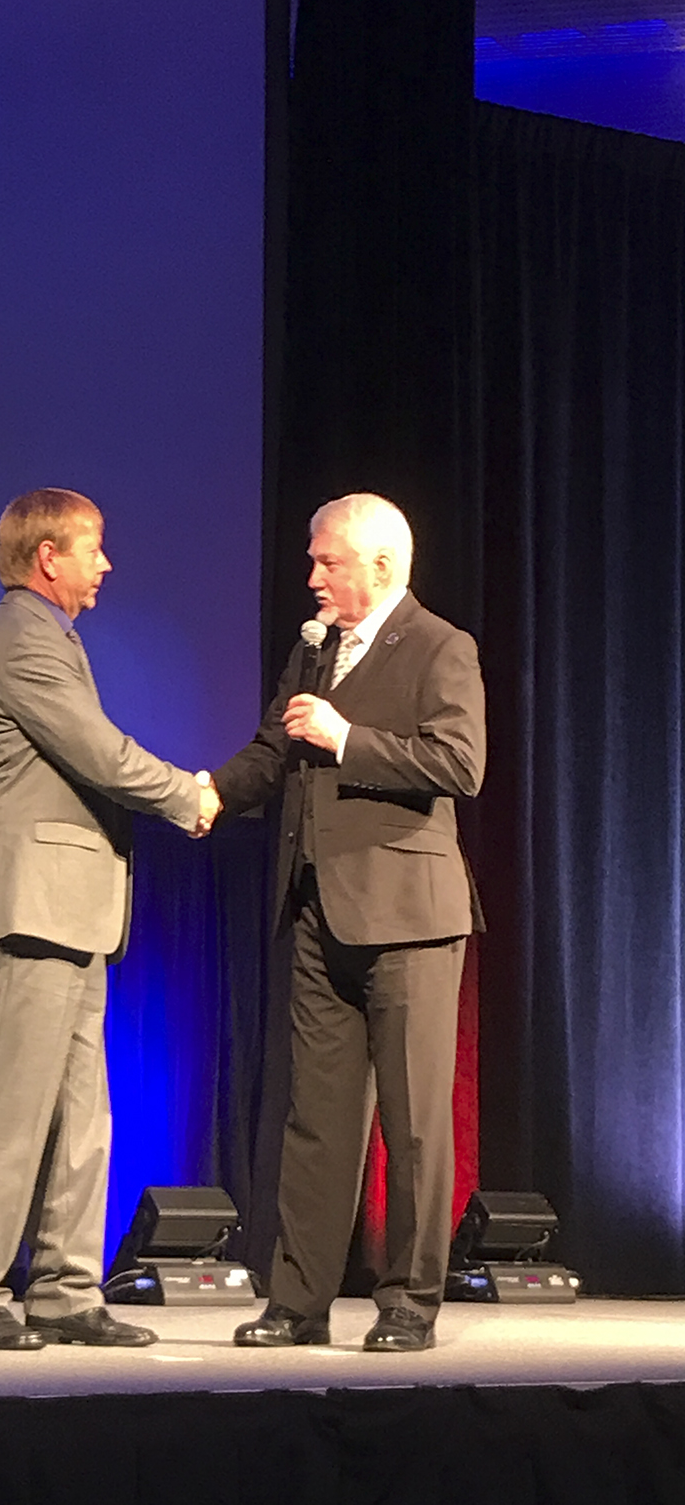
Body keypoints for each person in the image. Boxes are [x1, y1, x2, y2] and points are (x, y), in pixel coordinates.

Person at [0, 489, 221, 1350]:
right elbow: (95, 750)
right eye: (92, 548)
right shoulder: (23, 635)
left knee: (83, 1116)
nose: (105, 565)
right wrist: (188, 796)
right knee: (9, 1112)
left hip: (75, 913)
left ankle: (65, 1291)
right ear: (48, 557)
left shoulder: (53, 637)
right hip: (30, 906)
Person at [211, 493, 485, 1353]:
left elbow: (460, 762)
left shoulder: (441, 646)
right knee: (316, 1121)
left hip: (408, 918)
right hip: (316, 910)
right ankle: (298, 1302)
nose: (313, 577)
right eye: (314, 559)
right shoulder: (314, 649)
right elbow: (272, 750)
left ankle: (410, 1302)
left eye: (328, 562)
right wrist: (206, 795)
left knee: (411, 1122)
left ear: (381, 565)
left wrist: (347, 737)